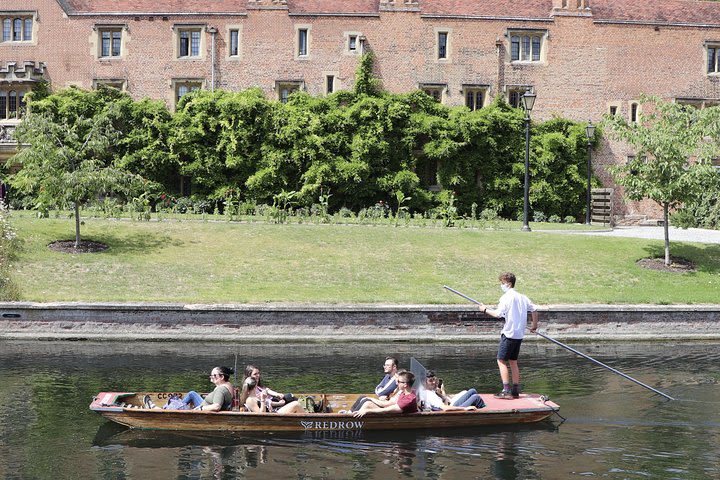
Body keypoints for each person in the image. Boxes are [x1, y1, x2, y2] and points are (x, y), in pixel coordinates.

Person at [479, 272, 539, 399]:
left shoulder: (506, 297)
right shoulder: (523, 297)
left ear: (508, 283)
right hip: (519, 335)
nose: (501, 285)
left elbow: (497, 314)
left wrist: (484, 309)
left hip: (509, 333)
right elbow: (534, 309)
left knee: (501, 361)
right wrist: (534, 326)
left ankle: (506, 390)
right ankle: (516, 390)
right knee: (513, 361)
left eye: (502, 283)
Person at [146, 366, 234, 411]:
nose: (211, 377)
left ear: (222, 377)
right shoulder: (228, 385)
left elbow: (217, 406)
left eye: (214, 375)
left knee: (176, 401)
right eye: (211, 375)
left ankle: (158, 409)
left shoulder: (221, 390)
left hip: (203, 411)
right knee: (192, 393)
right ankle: (175, 406)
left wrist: (200, 409)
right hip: (204, 405)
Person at [353, 371, 418, 417]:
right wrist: (369, 399)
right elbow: (388, 403)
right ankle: (353, 415)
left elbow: (387, 410)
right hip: (392, 413)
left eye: (398, 381)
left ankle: (353, 419)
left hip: (395, 417)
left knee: (367, 405)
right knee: (367, 402)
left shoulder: (409, 399)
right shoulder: (403, 392)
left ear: (405, 385)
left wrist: (367, 411)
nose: (396, 383)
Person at [239, 377, 305, 414]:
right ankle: (308, 421)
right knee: (296, 404)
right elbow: (261, 415)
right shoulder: (250, 400)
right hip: (272, 416)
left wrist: (268, 404)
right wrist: (263, 399)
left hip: (272, 412)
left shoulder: (255, 396)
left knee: (291, 398)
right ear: (255, 386)